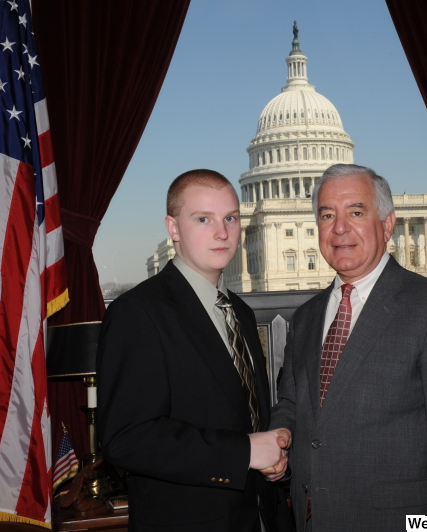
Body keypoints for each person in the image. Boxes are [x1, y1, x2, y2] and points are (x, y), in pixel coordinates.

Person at [268, 164, 427, 530]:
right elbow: (294, 404)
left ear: (387, 225)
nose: (340, 228)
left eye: (356, 212)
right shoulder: (307, 316)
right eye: (327, 215)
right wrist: (280, 437)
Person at [97, 169, 288, 532]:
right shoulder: (137, 313)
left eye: (230, 218)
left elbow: (244, 416)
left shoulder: (240, 313)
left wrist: (273, 455)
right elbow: (126, 438)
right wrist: (243, 452)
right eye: (203, 219)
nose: (222, 232)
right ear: (173, 228)